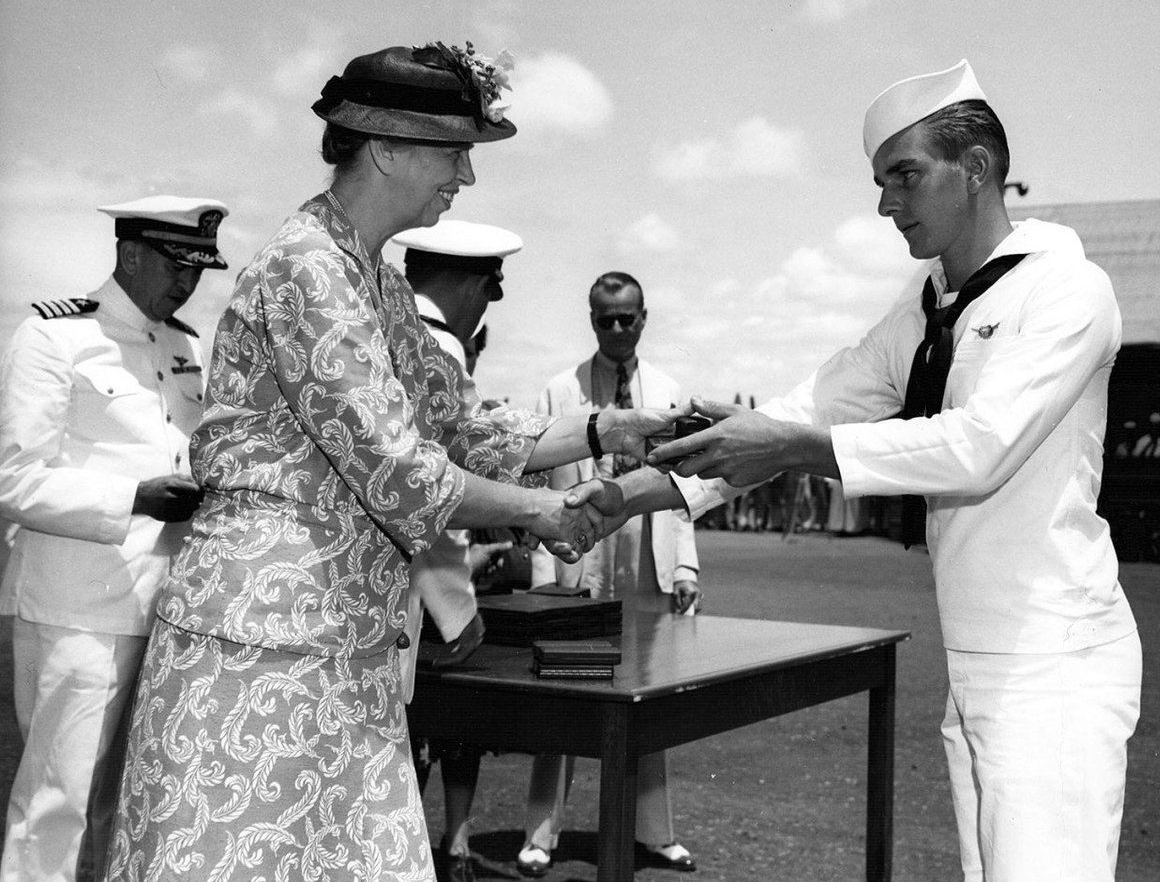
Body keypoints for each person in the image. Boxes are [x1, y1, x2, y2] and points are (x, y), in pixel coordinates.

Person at [100, 43, 678, 882]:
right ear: (387, 148)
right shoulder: (309, 266)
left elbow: (462, 429)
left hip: (339, 648)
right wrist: (542, 512)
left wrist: (608, 431)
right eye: (456, 152)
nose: (466, 177)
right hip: (262, 649)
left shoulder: (368, 275)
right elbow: (401, 470)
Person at [627, 60, 1141, 882]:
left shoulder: (1068, 290)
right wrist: (625, 496)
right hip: (978, 659)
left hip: (1057, 664)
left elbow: (979, 445)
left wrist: (791, 447)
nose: (884, 204)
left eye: (904, 175)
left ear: (975, 170)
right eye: (880, 181)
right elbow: (818, 404)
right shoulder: (930, 302)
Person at [0, 195, 228, 882]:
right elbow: (15, 480)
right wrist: (134, 498)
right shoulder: (55, 336)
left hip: (168, 610)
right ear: (130, 253)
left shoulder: (184, 343)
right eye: (174, 264)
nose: (187, 283)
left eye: (198, 269)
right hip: (79, 609)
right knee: (58, 800)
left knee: (133, 801)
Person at [516, 272, 699, 877]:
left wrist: (685, 566)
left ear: (644, 316)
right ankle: (542, 835)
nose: (617, 329)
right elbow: (538, 488)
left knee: (649, 701)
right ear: (591, 320)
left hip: (646, 559)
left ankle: (654, 832)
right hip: (578, 565)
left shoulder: (671, 390)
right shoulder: (558, 390)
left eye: (627, 318)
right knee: (564, 702)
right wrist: (546, 575)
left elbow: (685, 486)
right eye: (605, 319)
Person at [391, 217, 525, 882]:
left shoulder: (376, 318)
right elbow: (434, 493)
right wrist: (458, 608)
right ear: (473, 286)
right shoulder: (437, 345)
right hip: (386, 608)